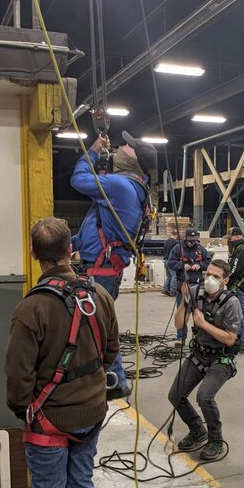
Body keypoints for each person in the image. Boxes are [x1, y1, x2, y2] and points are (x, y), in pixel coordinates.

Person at [5, 217, 119, 488]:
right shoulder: (98, 296)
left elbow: (17, 375)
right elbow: (111, 353)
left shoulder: (32, 307)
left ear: (34, 254)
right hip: (91, 413)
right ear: (71, 250)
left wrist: (23, 409)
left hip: (48, 421)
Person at [70, 130, 157, 400]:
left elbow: (78, 179)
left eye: (127, 147)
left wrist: (93, 151)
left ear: (134, 160)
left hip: (101, 269)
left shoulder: (119, 186)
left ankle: (116, 380)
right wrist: (74, 242)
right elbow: (101, 225)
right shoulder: (132, 188)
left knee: (96, 325)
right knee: (97, 323)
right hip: (105, 265)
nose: (121, 147)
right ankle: (109, 376)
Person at [168, 258, 242, 461]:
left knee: (204, 397)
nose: (209, 279)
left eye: (215, 276)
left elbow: (230, 338)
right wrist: (185, 301)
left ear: (225, 280)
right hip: (199, 354)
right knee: (176, 395)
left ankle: (215, 440)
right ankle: (197, 429)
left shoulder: (231, 303)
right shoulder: (195, 293)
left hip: (221, 359)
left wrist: (204, 324)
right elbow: (178, 324)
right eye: (208, 274)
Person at [167, 227, 211, 345]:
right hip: (184, 287)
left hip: (197, 287)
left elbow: (208, 262)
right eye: (190, 240)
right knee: (183, 312)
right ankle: (181, 338)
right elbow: (170, 263)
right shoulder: (178, 248)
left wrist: (199, 265)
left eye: (194, 240)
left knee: (198, 311)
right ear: (185, 238)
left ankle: (198, 338)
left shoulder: (201, 249)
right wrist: (182, 266)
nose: (192, 242)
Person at [162, 229, 179, 296]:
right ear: (176, 235)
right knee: (174, 276)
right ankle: (173, 291)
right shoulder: (176, 243)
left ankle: (165, 289)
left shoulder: (166, 242)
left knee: (168, 276)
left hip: (165, 260)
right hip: (171, 261)